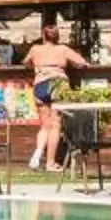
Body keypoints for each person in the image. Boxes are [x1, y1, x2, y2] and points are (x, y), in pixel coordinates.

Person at [23, 19, 86, 171]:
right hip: (58, 84)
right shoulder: (63, 49)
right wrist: (70, 64)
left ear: (43, 36)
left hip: (40, 85)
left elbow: (25, 62)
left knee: (45, 126)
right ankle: (50, 163)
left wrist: (37, 65)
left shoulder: (35, 49)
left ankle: (38, 154)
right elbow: (82, 62)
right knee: (55, 126)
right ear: (58, 37)